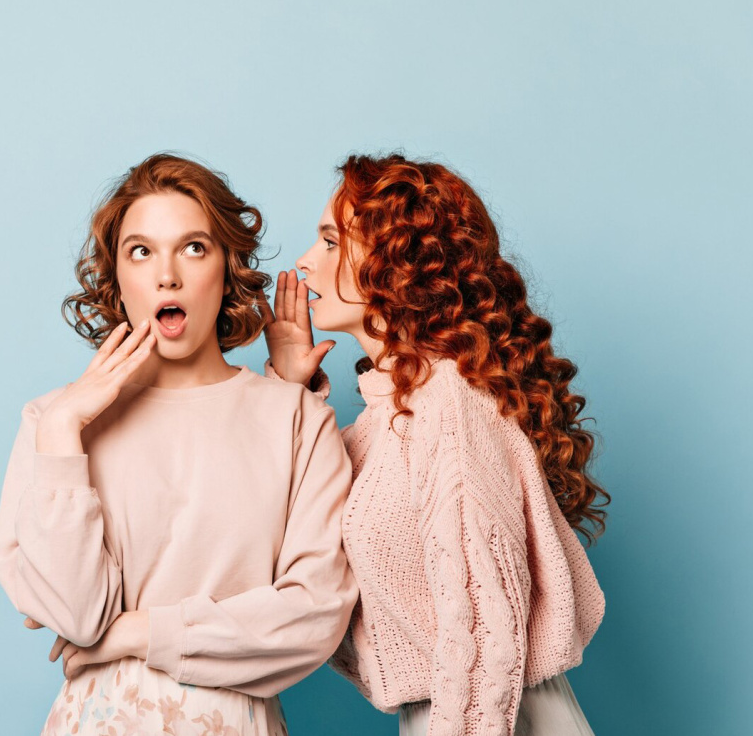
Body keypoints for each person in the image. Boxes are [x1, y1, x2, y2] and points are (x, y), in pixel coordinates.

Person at [0, 153, 357, 736]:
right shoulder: (52, 423)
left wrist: (136, 633)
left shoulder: (296, 418)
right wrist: (62, 438)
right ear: (116, 276)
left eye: (193, 247)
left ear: (227, 266)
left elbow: (314, 617)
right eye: (141, 251)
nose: (167, 275)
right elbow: (76, 616)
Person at [261, 153, 608, 736]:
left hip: (499, 717)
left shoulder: (448, 406)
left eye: (328, 241)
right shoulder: (383, 422)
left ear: (397, 263)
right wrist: (291, 389)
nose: (304, 262)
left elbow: (484, 640)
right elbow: (285, 539)